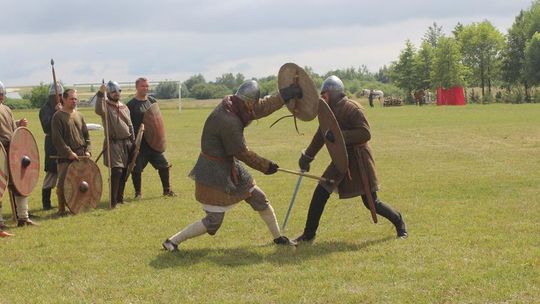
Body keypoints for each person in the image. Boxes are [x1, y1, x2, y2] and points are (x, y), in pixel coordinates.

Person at [162, 80, 302, 251]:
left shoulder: (237, 105)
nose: (254, 108)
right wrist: (266, 166)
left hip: (229, 164)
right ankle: (172, 241)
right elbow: (241, 152)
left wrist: (286, 93)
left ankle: (278, 238)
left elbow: (263, 107)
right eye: (253, 104)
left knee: (259, 198)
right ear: (248, 102)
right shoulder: (228, 120)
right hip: (213, 170)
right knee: (214, 221)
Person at [294, 75, 407, 243]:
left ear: (334, 93)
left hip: (359, 159)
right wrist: (308, 156)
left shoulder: (352, 108)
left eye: (325, 95)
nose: (322, 98)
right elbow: (321, 135)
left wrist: (340, 136)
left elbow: (365, 133)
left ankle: (399, 222)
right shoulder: (328, 111)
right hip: (340, 159)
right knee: (321, 192)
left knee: (371, 202)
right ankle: (309, 234)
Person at [127, 77, 175, 199]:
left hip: (154, 143)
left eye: (147, 86)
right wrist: (133, 141)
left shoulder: (152, 101)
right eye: (143, 86)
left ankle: (167, 190)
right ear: (137, 87)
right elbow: (128, 124)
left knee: (164, 165)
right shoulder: (131, 105)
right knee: (136, 169)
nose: (145, 88)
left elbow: (157, 121)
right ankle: (138, 193)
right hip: (140, 144)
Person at [0, 80, 37, 227]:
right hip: (0, 151)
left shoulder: (7, 109)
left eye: (2, 94)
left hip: (13, 149)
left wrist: (18, 124)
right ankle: (0, 222)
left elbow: (9, 128)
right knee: (0, 185)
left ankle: (23, 217)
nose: (1, 97)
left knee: (20, 182)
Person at [51, 89, 91, 216]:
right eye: (71, 99)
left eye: (75, 99)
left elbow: (86, 135)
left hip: (81, 154)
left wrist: (88, 150)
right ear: (64, 99)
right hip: (66, 156)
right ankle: (61, 210)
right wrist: (68, 152)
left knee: (81, 182)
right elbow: (57, 139)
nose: (74, 101)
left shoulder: (79, 115)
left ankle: (79, 205)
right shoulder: (58, 117)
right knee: (63, 183)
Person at [95, 81, 134, 208]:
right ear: (109, 93)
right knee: (116, 171)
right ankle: (113, 201)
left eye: (118, 91)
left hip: (126, 143)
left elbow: (130, 124)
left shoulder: (124, 107)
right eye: (113, 92)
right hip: (113, 143)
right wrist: (101, 93)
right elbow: (98, 110)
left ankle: (120, 198)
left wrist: (133, 141)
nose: (116, 94)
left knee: (124, 171)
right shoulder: (105, 106)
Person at [39, 82, 64, 210]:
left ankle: (67, 199)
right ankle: (46, 203)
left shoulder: (64, 106)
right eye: (57, 95)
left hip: (65, 143)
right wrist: (56, 113)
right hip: (52, 144)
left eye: (60, 95)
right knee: (52, 173)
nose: (59, 97)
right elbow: (46, 127)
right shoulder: (45, 109)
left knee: (67, 172)